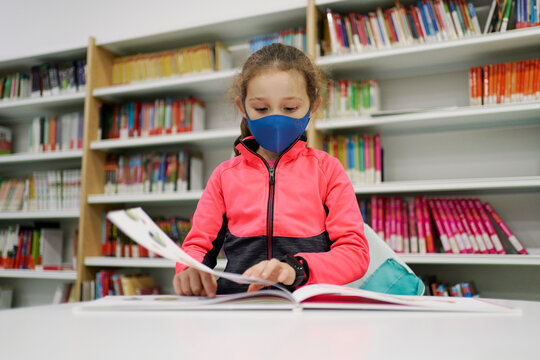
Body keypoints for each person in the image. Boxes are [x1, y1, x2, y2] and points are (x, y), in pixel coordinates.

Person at [173, 43, 369, 297]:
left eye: (290, 109)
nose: (276, 119)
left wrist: (295, 269)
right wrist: (189, 268)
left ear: (314, 105)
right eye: (261, 109)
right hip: (240, 309)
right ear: (243, 107)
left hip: (309, 309)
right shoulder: (225, 176)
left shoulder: (327, 170)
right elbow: (197, 246)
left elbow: (354, 253)